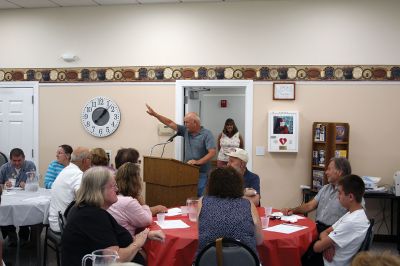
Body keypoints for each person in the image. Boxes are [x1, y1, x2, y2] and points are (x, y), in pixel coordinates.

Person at [61, 166, 165, 266]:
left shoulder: (83, 208)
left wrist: (144, 236)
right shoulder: (93, 216)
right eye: (113, 186)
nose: (117, 189)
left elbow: (106, 240)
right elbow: (114, 259)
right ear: (99, 190)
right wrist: (137, 244)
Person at [146, 104, 216, 196]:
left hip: (202, 173)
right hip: (187, 171)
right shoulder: (185, 130)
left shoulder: (207, 134)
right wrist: (156, 115)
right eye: (184, 122)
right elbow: (170, 123)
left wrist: (198, 162)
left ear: (195, 123)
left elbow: (212, 153)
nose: (185, 125)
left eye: (187, 122)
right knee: (187, 195)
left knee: (200, 196)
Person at [196, 167, 263, 259]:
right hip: (244, 261)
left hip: (209, 260)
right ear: (238, 184)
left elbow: (201, 230)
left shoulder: (203, 201)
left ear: (211, 184)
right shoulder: (248, 204)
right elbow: (259, 240)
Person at [304, 174, 369, 266]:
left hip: (328, 262)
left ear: (350, 197)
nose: (338, 196)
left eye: (340, 193)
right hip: (329, 256)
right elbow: (324, 232)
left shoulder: (351, 222)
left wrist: (324, 244)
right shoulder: (353, 214)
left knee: (300, 251)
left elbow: (317, 247)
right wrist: (328, 245)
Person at [282, 157, 352, 233]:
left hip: (334, 233)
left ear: (339, 172)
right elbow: (310, 206)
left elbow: (356, 218)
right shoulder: (325, 188)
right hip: (317, 228)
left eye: (329, 169)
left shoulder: (350, 192)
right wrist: (292, 210)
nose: (326, 172)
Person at [108, 162, 167, 231]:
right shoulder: (128, 201)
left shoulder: (115, 197)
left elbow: (137, 211)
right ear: (135, 181)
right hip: (129, 240)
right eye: (139, 177)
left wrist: (156, 208)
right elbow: (147, 220)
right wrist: (143, 203)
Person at [48, 147, 91, 232]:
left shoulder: (66, 170)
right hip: (64, 225)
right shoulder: (78, 174)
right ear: (85, 161)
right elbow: (83, 198)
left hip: (55, 221)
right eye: (90, 159)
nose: (91, 162)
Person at [0, 148, 36, 247]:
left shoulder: (30, 166)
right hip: (8, 198)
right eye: (14, 161)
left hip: (25, 198)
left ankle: (24, 237)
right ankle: (11, 236)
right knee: (6, 212)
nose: (17, 163)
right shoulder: (4, 168)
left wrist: (28, 185)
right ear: (10, 159)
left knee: (25, 211)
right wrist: (4, 185)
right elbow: (0, 185)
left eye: (19, 160)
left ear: (24, 158)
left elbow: (34, 185)